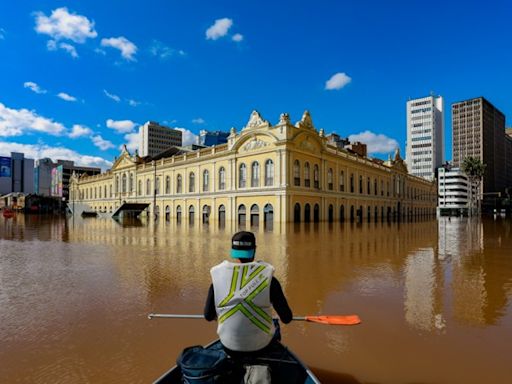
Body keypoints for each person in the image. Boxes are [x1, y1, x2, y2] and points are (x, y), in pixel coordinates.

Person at [204, 231, 292, 356]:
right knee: (275, 325)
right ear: (254, 250)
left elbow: (208, 316)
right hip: (262, 347)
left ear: (233, 252)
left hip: (229, 346)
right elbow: (287, 318)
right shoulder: (269, 278)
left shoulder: (218, 278)